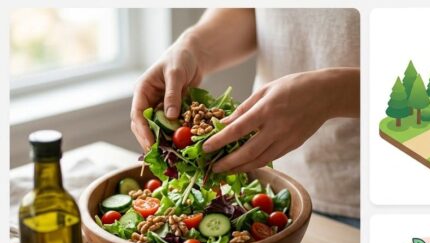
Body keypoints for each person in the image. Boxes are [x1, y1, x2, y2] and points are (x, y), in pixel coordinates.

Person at [130, 9, 360, 224]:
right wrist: (193, 46)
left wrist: (331, 94)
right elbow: (248, 11)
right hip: (276, 183)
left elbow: (398, 97)